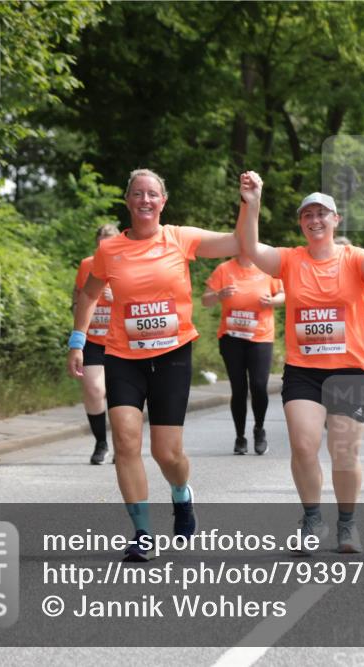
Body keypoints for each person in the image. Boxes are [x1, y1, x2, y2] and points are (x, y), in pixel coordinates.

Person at [67, 168, 248, 561]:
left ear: (163, 201)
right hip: (122, 356)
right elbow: (88, 295)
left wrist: (249, 202)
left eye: (152, 194)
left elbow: (238, 241)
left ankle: (182, 495)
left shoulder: (180, 238)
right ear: (128, 201)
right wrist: (78, 340)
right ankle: (143, 532)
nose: (145, 200)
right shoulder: (110, 249)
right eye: (137, 194)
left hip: (171, 355)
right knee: (126, 441)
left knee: (168, 454)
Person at [237, 179, 364, 554]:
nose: (314, 220)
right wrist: (253, 204)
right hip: (304, 370)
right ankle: (311, 517)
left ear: (336, 219)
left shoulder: (354, 258)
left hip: (351, 369)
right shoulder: (290, 259)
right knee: (303, 446)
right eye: (307, 215)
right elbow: (250, 248)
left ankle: (347, 523)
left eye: (321, 213)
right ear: (301, 224)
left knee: (344, 451)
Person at [202, 254, 284, 455]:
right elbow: (205, 300)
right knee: (238, 388)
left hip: (261, 337)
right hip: (232, 337)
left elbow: (284, 294)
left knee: (258, 385)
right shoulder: (224, 269)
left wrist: (272, 301)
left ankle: (259, 429)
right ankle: (240, 437)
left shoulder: (267, 267)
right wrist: (219, 295)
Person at [73, 223, 120, 465]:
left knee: (119, 396)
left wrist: (119, 296)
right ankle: (101, 442)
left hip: (121, 340)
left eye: (110, 240)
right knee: (94, 390)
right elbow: (77, 298)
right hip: (93, 339)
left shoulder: (127, 262)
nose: (105, 243)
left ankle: (121, 446)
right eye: (101, 239)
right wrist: (76, 338)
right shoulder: (86, 265)